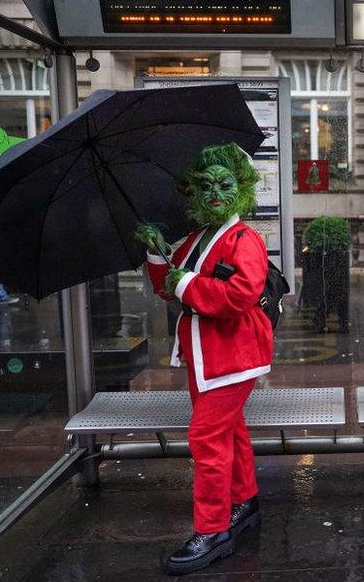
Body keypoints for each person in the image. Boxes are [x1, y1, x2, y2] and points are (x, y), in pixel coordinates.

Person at [136, 143, 272, 576]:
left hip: (233, 353)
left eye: (225, 183)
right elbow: (167, 286)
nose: (216, 192)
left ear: (242, 189)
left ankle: (212, 530)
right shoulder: (196, 239)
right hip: (204, 353)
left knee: (206, 438)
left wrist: (186, 283)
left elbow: (241, 295)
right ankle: (245, 502)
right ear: (194, 192)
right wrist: (158, 252)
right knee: (229, 431)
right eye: (206, 185)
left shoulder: (244, 238)